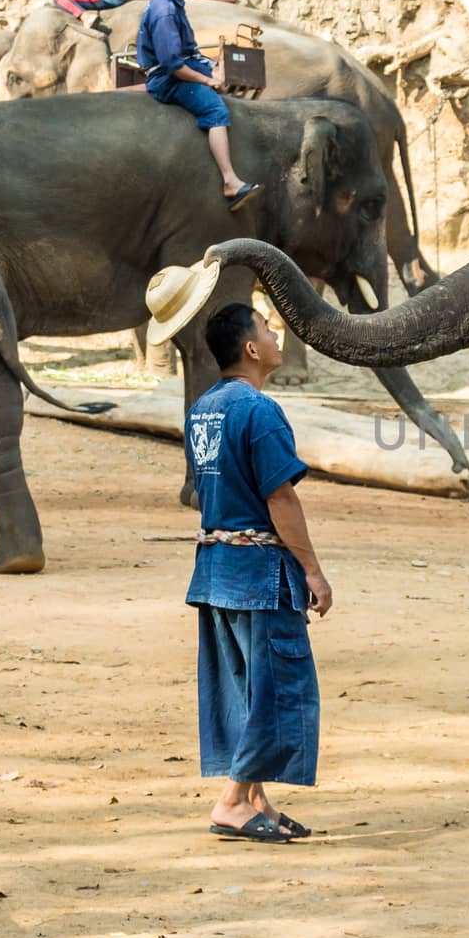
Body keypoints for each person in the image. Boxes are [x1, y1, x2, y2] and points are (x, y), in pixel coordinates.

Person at [166, 292, 334, 843]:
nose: (274, 335)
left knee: (243, 688)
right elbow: (280, 499)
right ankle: (233, 801)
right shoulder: (260, 412)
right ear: (249, 347)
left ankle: (258, 798)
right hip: (260, 575)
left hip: (215, 570)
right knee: (277, 687)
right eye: (266, 328)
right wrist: (312, 569)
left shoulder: (204, 409)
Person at [135, 0, 261, 212]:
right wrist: (207, 81)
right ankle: (230, 181)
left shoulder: (173, 2)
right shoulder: (165, 11)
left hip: (183, 65)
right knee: (214, 108)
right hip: (166, 79)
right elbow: (172, 64)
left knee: (234, 75)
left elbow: (187, 52)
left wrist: (215, 70)